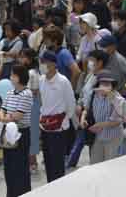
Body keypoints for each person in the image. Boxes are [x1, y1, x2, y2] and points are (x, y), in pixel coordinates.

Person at [38, 50, 74, 182]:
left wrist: (63, 120)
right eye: (40, 62)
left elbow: (71, 105)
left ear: (53, 64)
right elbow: (42, 102)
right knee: (47, 162)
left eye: (44, 62)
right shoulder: (41, 80)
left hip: (59, 128)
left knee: (57, 164)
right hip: (45, 126)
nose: (41, 65)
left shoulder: (63, 81)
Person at [0, 64, 33, 196]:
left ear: (19, 77)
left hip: (21, 133)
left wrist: (7, 118)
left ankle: (22, 192)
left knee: (20, 166)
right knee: (9, 166)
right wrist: (4, 118)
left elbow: (19, 114)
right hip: (7, 133)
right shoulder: (9, 92)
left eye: (13, 75)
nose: (10, 77)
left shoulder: (27, 93)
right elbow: (2, 109)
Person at [83, 70, 123, 164]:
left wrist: (99, 125)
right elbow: (86, 109)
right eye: (103, 83)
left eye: (108, 83)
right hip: (98, 137)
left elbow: (117, 121)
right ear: (98, 84)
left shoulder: (117, 98)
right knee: (95, 164)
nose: (105, 85)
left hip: (113, 137)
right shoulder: (93, 95)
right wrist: (83, 119)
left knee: (110, 166)